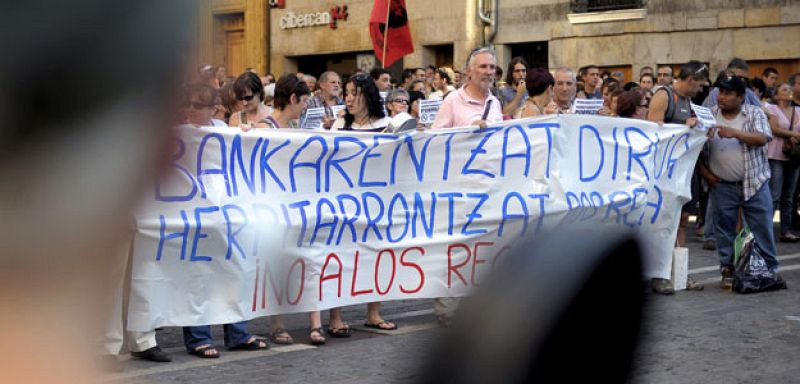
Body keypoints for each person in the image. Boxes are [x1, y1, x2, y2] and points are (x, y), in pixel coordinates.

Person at [181, 83, 269, 358]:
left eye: (198, 105)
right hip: (194, 218)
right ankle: (199, 338)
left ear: (213, 109)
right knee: (198, 278)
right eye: (188, 104)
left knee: (234, 273)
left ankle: (238, 333)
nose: (191, 110)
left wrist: (246, 136)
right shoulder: (177, 136)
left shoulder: (223, 131)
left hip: (228, 216)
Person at [698, 76, 780, 289]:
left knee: (761, 227)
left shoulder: (753, 113)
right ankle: (728, 268)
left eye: (727, 93)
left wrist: (735, 133)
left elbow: (763, 138)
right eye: (720, 92)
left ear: (741, 97)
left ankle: (769, 270)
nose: (721, 97)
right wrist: (705, 173)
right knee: (724, 229)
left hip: (754, 181)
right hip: (721, 184)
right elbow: (694, 146)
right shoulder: (709, 115)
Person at [647, 60, 708, 294]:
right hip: (663, 174)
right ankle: (659, 274)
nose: (701, 89)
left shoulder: (687, 101)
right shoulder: (664, 96)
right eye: (700, 84)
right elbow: (653, 131)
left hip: (681, 172)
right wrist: (685, 125)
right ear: (690, 79)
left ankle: (677, 271)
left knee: (682, 220)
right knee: (663, 223)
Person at [432, 47, 503, 129]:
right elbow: (436, 138)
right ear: (468, 71)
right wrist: (469, 131)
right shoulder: (452, 100)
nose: (488, 72)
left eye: (492, 67)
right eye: (483, 66)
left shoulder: (495, 102)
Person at [765, 82, 800, 242]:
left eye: (790, 89)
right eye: (785, 89)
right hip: (776, 155)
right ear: (777, 95)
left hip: (794, 156)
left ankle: (786, 230)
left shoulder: (798, 110)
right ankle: (767, 231)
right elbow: (774, 129)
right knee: (775, 195)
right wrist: (793, 134)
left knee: (789, 196)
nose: (789, 91)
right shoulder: (772, 109)